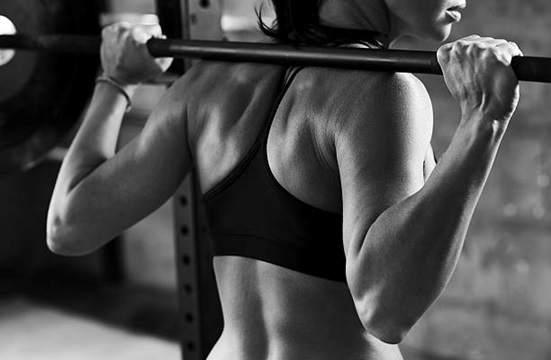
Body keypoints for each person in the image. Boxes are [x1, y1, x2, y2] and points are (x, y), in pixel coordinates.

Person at [46, 0, 522, 359]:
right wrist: (485, 121)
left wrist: (116, 82)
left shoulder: (205, 85)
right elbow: (386, 308)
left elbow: (69, 224)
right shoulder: (383, 92)